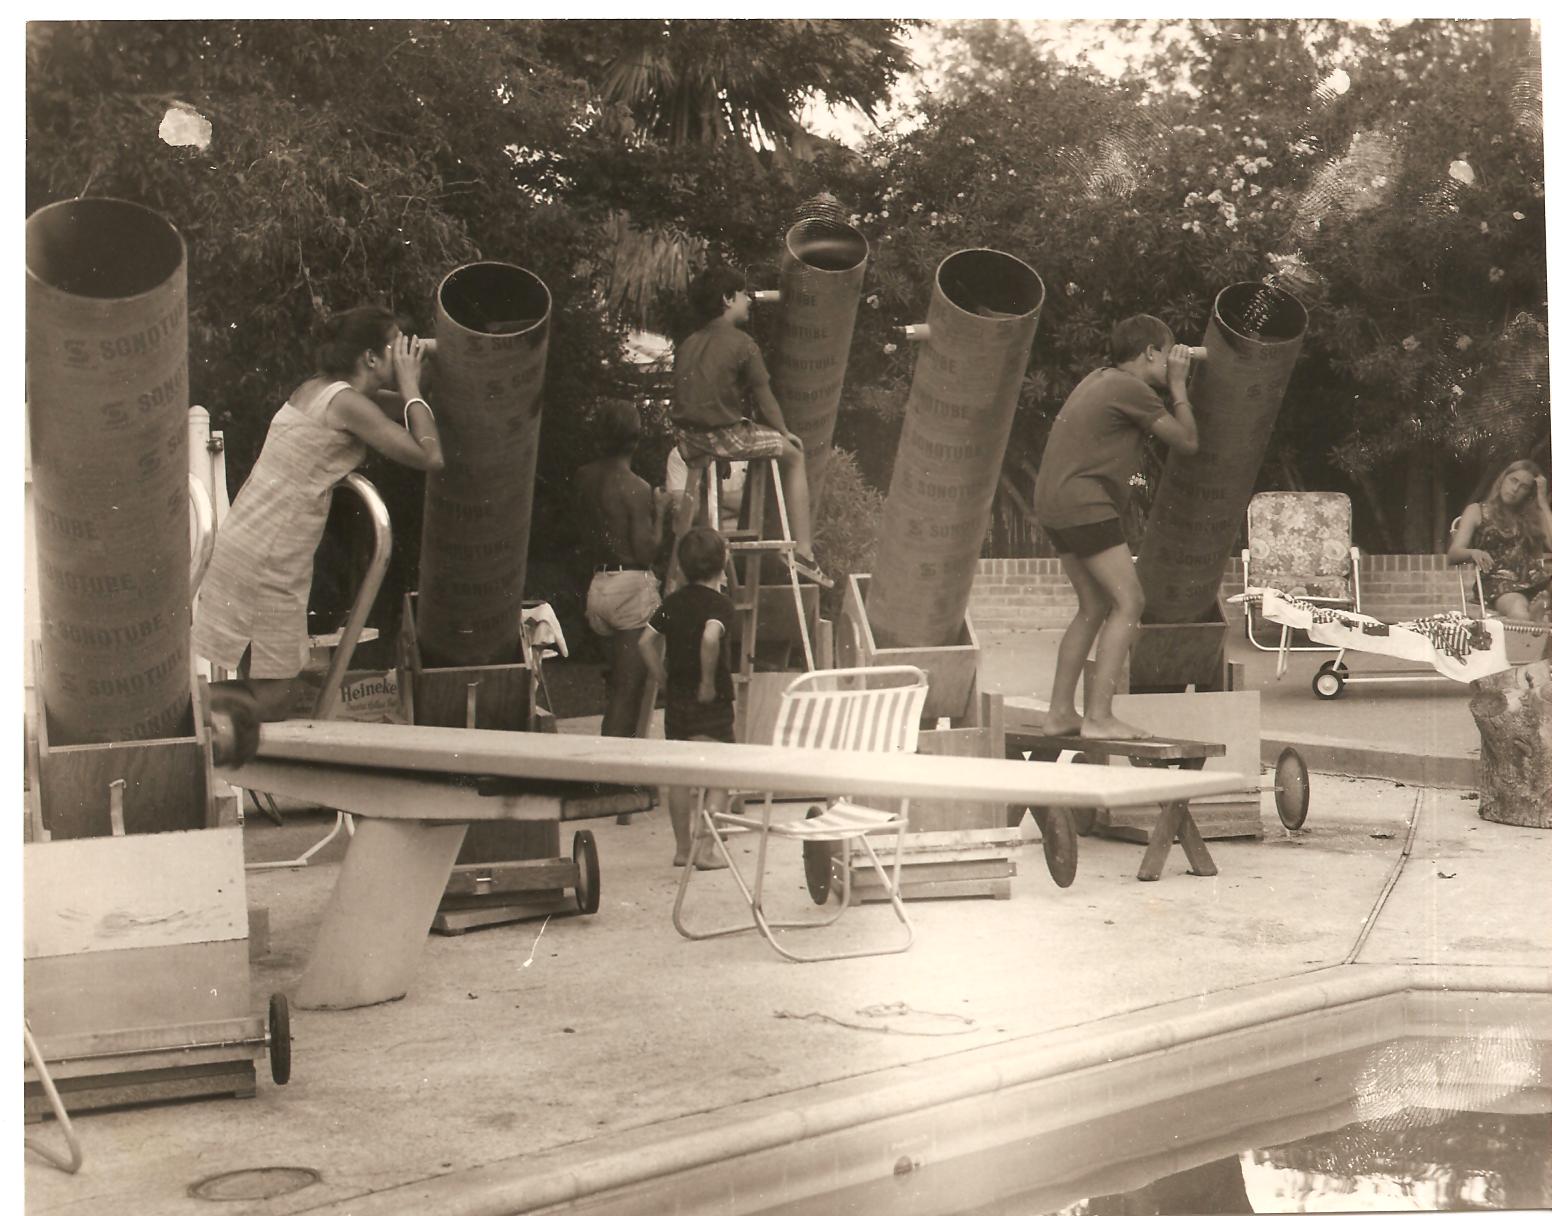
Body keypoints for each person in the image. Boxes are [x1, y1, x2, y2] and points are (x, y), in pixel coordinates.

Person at [193, 306, 443, 735]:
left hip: (254, 540)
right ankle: (166, 715)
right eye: (395, 344)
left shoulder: (323, 389)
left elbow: (419, 402)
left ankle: (172, 718)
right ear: (369, 358)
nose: (403, 351)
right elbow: (429, 454)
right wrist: (409, 380)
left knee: (265, 691)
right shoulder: (347, 403)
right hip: (270, 556)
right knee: (271, 702)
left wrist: (423, 356)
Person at [1031, 314, 1201, 740]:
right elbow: (1186, 442)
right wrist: (1179, 385)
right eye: (1169, 352)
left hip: (1055, 503)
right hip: (1086, 504)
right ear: (1150, 353)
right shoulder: (1132, 388)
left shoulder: (1099, 378)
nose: (1172, 360)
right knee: (1130, 602)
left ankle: (1059, 714)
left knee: (1093, 606)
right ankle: (1099, 718)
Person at [669, 266, 823, 585]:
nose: (748, 301)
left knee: (704, 487)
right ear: (727, 299)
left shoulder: (688, 343)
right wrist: (784, 432)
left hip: (687, 440)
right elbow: (764, 397)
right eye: (742, 295)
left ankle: (696, 566)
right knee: (794, 455)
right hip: (720, 437)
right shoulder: (743, 343)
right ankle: (805, 552)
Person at [638, 527, 737, 869]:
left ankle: (682, 849)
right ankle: (706, 851)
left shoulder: (673, 603)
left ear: (682, 566)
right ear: (721, 563)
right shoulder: (721, 605)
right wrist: (708, 682)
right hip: (711, 700)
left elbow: (645, 643)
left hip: (678, 699)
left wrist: (662, 678)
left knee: (680, 776)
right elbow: (711, 637)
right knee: (720, 775)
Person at [576, 399, 668, 738]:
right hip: (630, 585)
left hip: (598, 584)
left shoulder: (584, 477)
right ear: (636, 438)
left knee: (616, 687)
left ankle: (608, 769)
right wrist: (659, 513)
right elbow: (646, 551)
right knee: (628, 693)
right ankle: (612, 775)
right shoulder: (637, 487)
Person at [1447, 458, 1552, 621]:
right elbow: (1453, 554)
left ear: (1529, 493)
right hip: (1498, 583)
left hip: (1535, 579)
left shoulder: (1530, 515)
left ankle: (1535, 617)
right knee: (1517, 606)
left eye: (1523, 487)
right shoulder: (1476, 511)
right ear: (1503, 479)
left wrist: (1542, 502)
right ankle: (1533, 619)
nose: (1515, 489)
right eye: (1513, 480)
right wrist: (1473, 552)